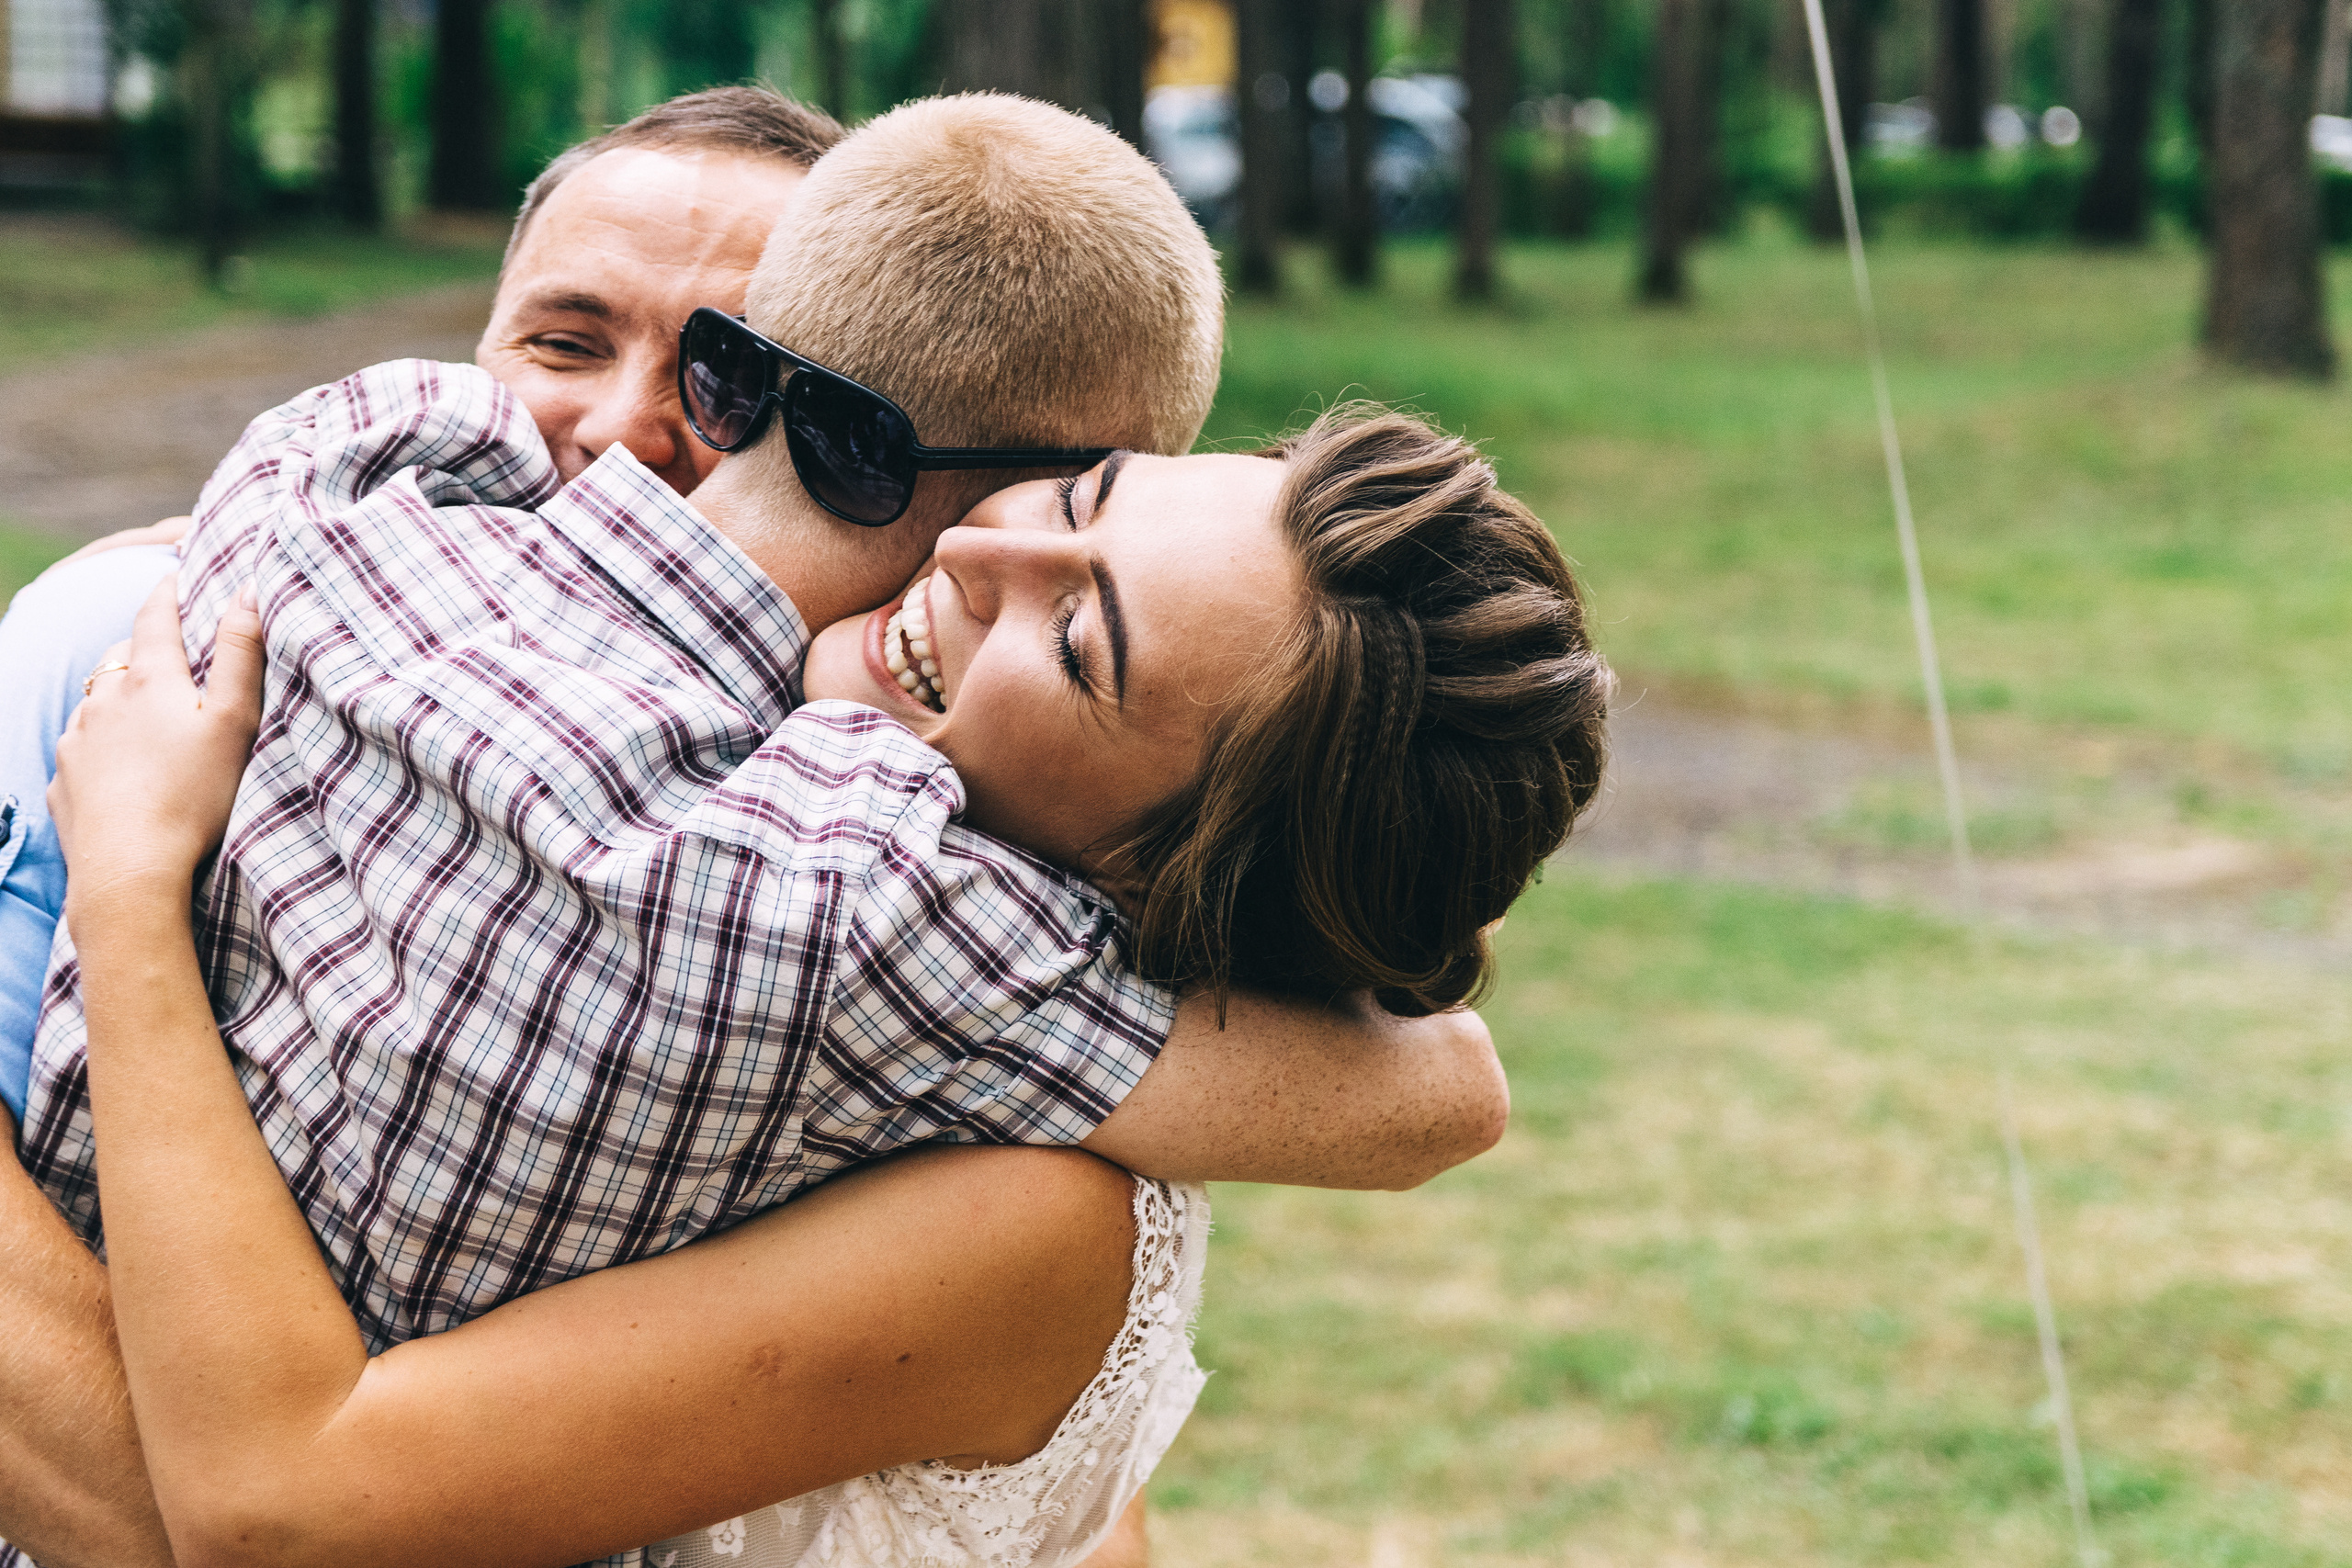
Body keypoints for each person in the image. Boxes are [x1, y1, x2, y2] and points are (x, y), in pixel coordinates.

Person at [0, 96, 1535, 1566]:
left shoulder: (323, 498)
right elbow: (1438, 1094)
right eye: (563, 338)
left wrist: (136, 888)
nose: (632, 435)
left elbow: (277, 1505)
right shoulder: (886, 899)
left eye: (710, 362)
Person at [0, 85, 844, 1126]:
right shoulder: (124, 637)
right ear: (477, 360)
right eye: (565, 345)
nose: (625, 429)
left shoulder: (862, 803)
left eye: (733, 380)